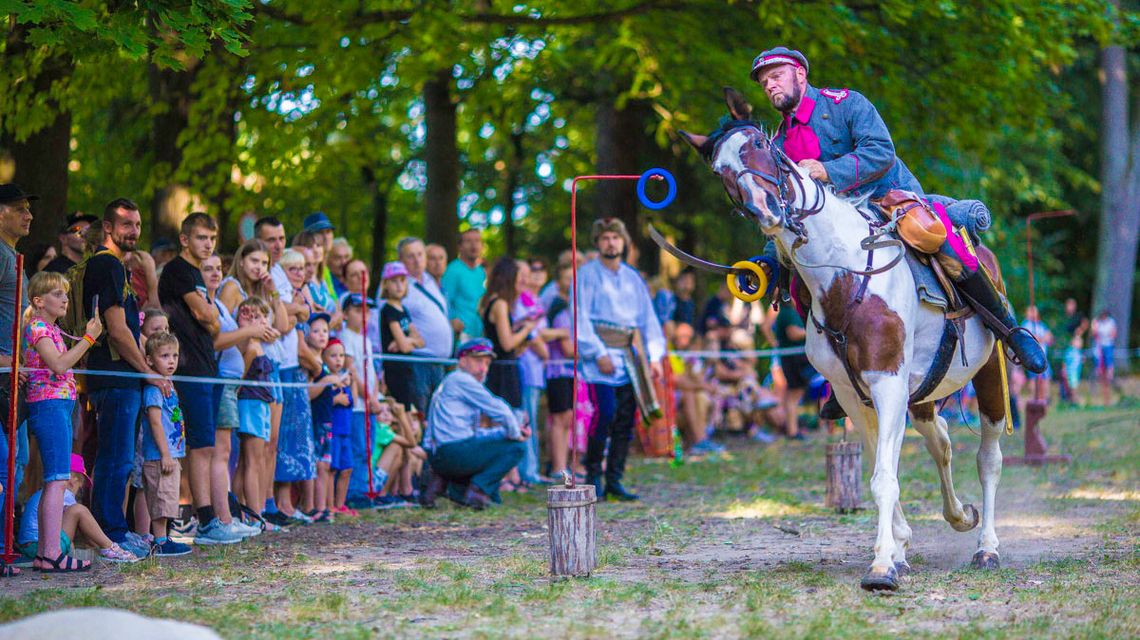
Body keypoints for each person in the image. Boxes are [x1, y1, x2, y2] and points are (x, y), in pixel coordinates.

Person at [749, 46, 1048, 418]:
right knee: (804, 281)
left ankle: (1010, 332)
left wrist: (829, 171)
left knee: (943, 247)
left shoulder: (845, 104)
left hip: (887, 202)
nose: (769, 85)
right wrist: (763, 262)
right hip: (832, 236)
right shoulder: (776, 146)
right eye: (764, 82)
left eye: (776, 76)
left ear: (800, 74)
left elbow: (881, 152)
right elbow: (780, 212)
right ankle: (842, 377)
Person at [85, 198, 172, 559]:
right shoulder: (106, 265)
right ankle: (111, 533)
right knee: (115, 459)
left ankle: (114, 530)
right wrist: (149, 372)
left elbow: (133, 330)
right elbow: (118, 331)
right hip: (113, 376)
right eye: (126, 224)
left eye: (137, 224)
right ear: (108, 227)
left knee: (119, 459)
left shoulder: (119, 268)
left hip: (123, 377)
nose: (134, 231)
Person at [158, 212, 247, 544]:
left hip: (206, 366)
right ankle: (206, 520)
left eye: (211, 238)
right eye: (200, 238)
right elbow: (205, 315)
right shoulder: (179, 271)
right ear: (185, 239)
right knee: (201, 446)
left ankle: (215, 517)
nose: (207, 244)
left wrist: (210, 317)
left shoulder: (196, 273)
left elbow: (213, 320)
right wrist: (209, 317)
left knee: (208, 446)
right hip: (187, 367)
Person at [575, 218, 666, 501]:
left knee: (626, 420)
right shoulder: (587, 275)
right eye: (604, 238)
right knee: (605, 414)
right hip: (600, 356)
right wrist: (597, 352)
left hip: (628, 356)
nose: (610, 243)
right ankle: (593, 477)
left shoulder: (632, 278)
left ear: (623, 241)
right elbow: (579, 316)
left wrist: (653, 356)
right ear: (597, 242)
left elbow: (648, 320)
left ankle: (615, 478)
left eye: (615, 237)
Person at [22, 271, 105, 571]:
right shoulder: (39, 328)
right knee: (57, 480)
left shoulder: (51, 329)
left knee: (56, 480)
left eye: (66, 294)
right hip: (49, 405)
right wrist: (88, 339)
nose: (65, 299)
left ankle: (48, 553)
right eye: (57, 294)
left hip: (58, 405)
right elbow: (58, 365)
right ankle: (52, 552)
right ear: (39, 301)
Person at [422, 338, 530, 509]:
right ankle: (476, 492)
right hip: (451, 452)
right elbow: (501, 410)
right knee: (516, 448)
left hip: (440, 454)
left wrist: (503, 433)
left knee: (494, 494)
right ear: (463, 360)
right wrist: (515, 433)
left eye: (487, 363)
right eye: (478, 361)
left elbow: (474, 434)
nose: (483, 369)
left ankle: (444, 485)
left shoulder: (451, 381)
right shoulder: (461, 380)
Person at [18, 455, 138, 565]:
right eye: (80, 485)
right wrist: (98, 544)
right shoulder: (63, 493)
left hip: (30, 548)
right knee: (78, 510)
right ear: (73, 480)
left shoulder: (45, 492)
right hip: (42, 545)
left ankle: (105, 547)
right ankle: (110, 547)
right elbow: (82, 524)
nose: (80, 489)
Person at [0, 184, 33, 577]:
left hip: (16, 374)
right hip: (3, 371)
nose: (28, 215)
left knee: (19, 463)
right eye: (19, 208)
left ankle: (7, 544)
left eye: (29, 209)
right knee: (4, 464)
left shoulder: (13, 256)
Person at [139, 332, 194, 555]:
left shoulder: (168, 384)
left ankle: (165, 537)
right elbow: (155, 421)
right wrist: (165, 454)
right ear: (150, 360)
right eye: (164, 356)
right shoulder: (154, 389)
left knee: (169, 497)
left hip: (171, 452)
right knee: (161, 498)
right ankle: (160, 541)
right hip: (159, 455)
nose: (171, 360)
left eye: (174, 355)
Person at [397, 237, 454, 413]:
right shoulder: (397, 283)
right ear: (402, 260)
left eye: (420, 255)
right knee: (420, 412)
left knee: (438, 413)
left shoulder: (431, 281)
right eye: (410, 256)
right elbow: (390, 312)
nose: (417, 260)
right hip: (417, 361)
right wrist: (409, 332)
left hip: (439, 363)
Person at [340, 293, 383, 507]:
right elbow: (352, 371)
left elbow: (371, 372)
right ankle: (355, 491)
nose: (363, 315)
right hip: (357, 405)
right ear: (346, 314)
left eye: (367, 311)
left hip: (368, 403)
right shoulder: (346, 337)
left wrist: (374, 397)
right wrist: (368, 397)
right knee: (358, 448)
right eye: (358, 310)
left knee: (368, 448)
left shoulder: (365, 339)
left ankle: (366, 487)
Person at [235, 297, 276, 523]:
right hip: (250, 404)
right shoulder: (250, 347)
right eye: (254, 317)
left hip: (260, 404)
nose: (261, 321)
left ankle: (247, 513)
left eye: (262, 316)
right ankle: (255, 515)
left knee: (251, 461)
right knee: (253, 461)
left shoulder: (260, 344)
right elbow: (240, 380)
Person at [480, 258, 536, 411]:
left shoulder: (489, 301)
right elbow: (507, 343)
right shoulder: (500, 304)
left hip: (498, 368)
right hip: (503, 372)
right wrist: (527, 329)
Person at [306, 314, 340, 523]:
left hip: (327, 420)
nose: (321, 335)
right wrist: (327, 380)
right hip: (317, 419)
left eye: (325, 331)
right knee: (319, 465)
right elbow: (308, 393)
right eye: (316, 331)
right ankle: (316, 507)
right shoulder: (314, 363)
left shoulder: (322, 362)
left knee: (326, 465)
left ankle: (326, 506)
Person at [543, 262, 576, 477]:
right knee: (559, 418)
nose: (571, 283)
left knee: (567, 418)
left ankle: (563, 466)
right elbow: (566, 348)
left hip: (569, 370)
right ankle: (557, 466)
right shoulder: (558, 306)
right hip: (558, 370)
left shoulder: (571, 305)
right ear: (558, 282)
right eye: (567, 279)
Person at [378, 261, 424, 409]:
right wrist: (407, 342)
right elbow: (404, 347)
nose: (399, 285)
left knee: (410, 410)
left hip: (407, 369)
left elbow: (421, 341)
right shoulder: (388, 310)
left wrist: (405, 341)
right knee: (402, 410)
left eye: (402, 281)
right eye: (394, 281)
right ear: (386, 284)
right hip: (395, 371)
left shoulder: (403, 310)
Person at [321, 338, 356, 515]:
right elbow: (323, 403)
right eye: (333, 355)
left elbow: (353, 401)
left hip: (345, 431)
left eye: (341, 355)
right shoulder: (326, 380)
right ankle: (329, 505)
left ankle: (340, 504)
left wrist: (353, 379)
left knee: (347, 468)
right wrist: (336, 399)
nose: (338, 359)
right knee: (332, 469)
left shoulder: (344, 380)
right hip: (332, 432)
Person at [772, 301, 813, 440]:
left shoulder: (789, 312)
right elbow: (793, 333)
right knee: (794, 394)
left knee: (793, 394)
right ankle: (792, 431)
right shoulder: (788, 313)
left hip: (793, 358)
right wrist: (814, 331)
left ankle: (791, 428)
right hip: (794, 359)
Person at [442, 228, 487, 340]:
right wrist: (452, 318)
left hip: (480, 332)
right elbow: (444, 299)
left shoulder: (481, 272)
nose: (474, 245)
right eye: (468, 241)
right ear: (460, 247)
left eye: (477, 241)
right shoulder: (453, 270)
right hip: (461, 334)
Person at [1020, 306, 1053, 403]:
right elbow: (1031, 338)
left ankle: (1044, 398)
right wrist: (1042, 338)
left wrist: (1042, 338)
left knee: (1045, 377)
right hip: (1032, 355)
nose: (1032, 313)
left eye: (1034, 311)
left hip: (1043, 356)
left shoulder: (1041, 325)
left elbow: (1049, 337)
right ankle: (1033, 397)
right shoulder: (1026, 325)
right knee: (1033, 378)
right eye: (1030, 311)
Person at [1091, 309, 1117, 406]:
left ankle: (1110, 372)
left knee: (1109, 361)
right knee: (1100, 367)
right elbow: (1094, 334)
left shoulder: (1111, 322)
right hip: (1100, 346)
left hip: (1107, 345)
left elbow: (1113, 334)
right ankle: (1099, 372)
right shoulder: (1097, 322)